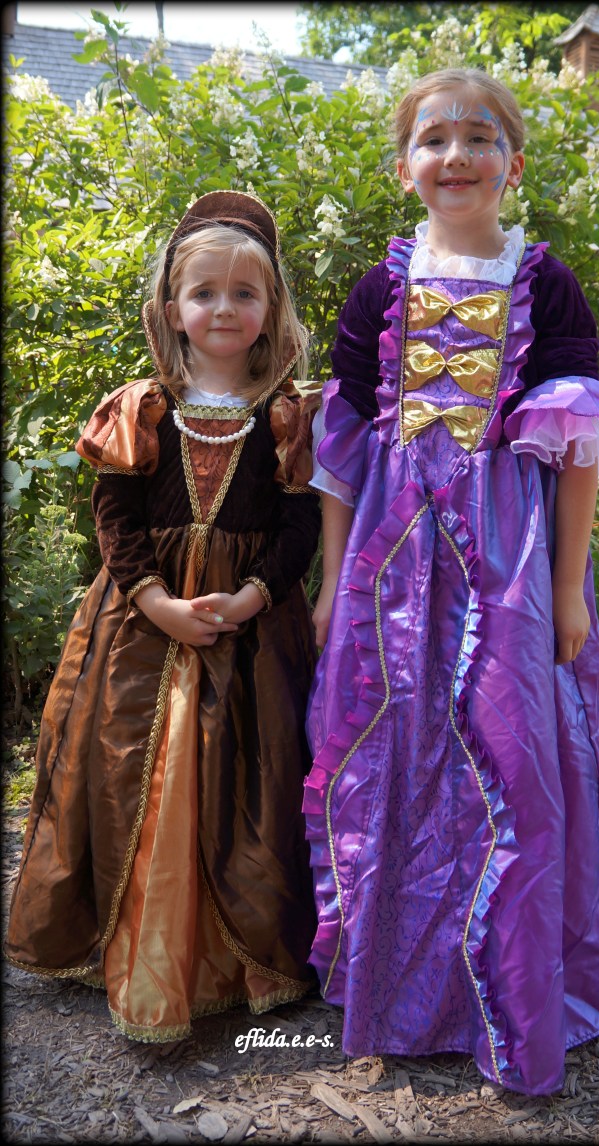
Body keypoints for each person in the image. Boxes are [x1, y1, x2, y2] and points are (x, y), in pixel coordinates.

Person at [303, 68, 599, 1096]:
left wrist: (569, 589)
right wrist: (332, 579)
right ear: (405, 166)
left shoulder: (546, 283)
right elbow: (341, 449)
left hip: (510, 565)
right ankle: (402, 986)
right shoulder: (379, 289)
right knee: (396, 750)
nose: (457, 155)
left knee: (509, 752)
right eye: (434, 138)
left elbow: (573, 450)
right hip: (393, 566)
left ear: (513, 163)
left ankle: (513, 994)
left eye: (479, 137)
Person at [5, 190, 322, 1043]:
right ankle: (135, 942)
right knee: (126, 771)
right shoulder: (142, 407)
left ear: (270, 309)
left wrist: (252, 595)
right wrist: (155, 601)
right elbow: (114, 519)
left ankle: (235, 953)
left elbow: (299, 529)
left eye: (244, 293)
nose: (223, 308)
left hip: (252, 631)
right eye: (203, 292)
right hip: (141, 623)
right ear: (172, 308)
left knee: (248, 779)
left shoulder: (287, 415)